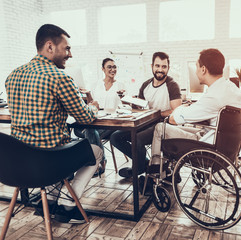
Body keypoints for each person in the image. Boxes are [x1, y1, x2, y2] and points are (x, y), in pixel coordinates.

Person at [5, 24, 103, 224]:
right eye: (67, 48)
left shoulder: (12, 76)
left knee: (49, 147)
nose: (70, 54)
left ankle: (47, 204)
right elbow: (84, 117)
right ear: (50, 47)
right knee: (95, 151)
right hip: (49, 162)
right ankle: (68, 205)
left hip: (18, 164)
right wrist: (93, 106)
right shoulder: (60, 77)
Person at [151, 48, 241, 163]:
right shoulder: (231, 87)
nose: (196, 72)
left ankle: (155, 169)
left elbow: (173, 119)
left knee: (161, 127)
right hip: (223, 144)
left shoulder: (213, 97)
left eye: (196, 67)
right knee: (183, 128)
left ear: (203, 69)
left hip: (206, 146)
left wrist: (183, 107)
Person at [110, 52, 181, 178]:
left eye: (164, 67)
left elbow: (177, 111)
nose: (160, 70)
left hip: (163, 125)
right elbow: (141, 108)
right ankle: (143, 164)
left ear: (168, 68)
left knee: (137, 138)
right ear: (152, 66)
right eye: (157, 66)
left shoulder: (172, 85)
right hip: (146, 123)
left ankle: (138, 168)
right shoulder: (145, 85)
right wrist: (133, 104)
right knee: (115, 137)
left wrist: (155, 113)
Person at [76, 58, 125, 177]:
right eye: (109, 67)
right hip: (96, 119)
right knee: (90, 130)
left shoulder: (120, 85)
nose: (112, 69)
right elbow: (91, 103)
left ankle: (96, 163)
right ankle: (101, 160)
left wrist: (123, 97)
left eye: (114, 67)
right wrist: (88, 94)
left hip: (111, 123)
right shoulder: (96, 84)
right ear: (103, 69)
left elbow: (126, 106)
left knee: (90, 131)